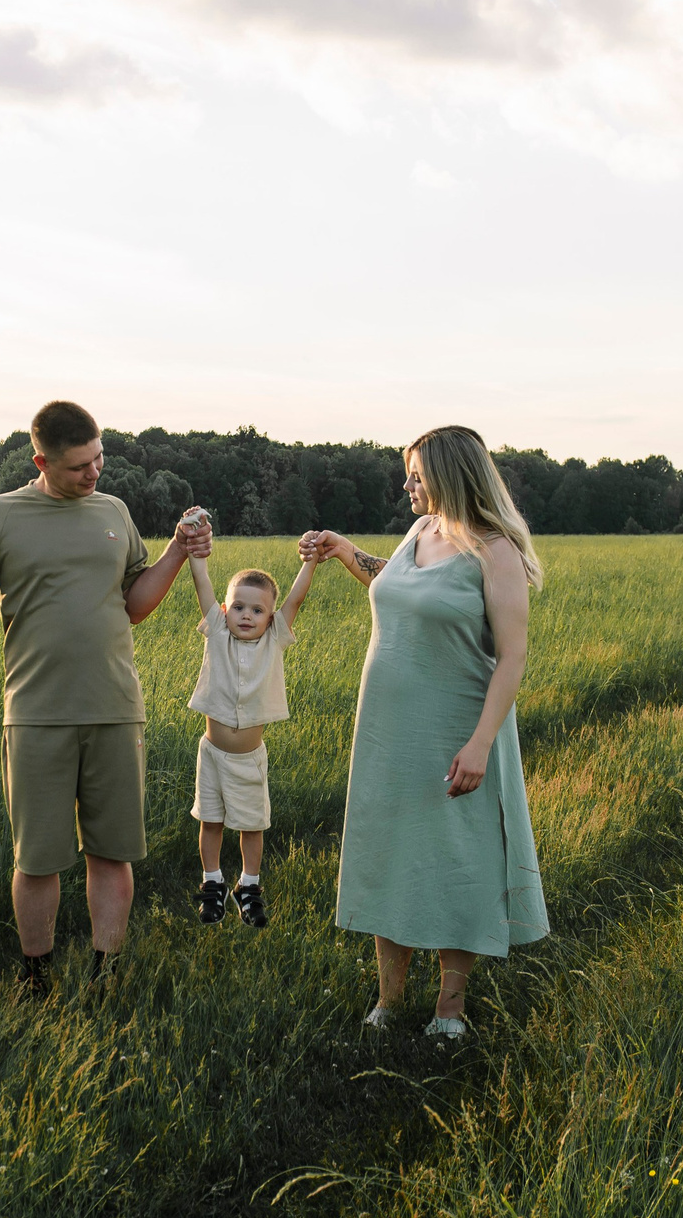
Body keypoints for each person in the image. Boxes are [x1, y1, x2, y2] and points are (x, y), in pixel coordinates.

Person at [0, 400, 214, 997]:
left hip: (115, 708)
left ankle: (106, 976)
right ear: (41, 461)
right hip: (35, 714)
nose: (95, 472)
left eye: (100, 457)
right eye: (80, 464)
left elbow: (135, 604)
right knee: (37, 860)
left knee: (112, 854)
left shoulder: (113, 511)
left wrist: (177, 552)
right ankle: (36, 978)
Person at [301, 426, 546, 1037]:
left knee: (454, 859)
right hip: (389, 732)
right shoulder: (420, 532)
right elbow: (400, 586)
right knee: (392, 851)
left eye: (415, 475)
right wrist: (339, 549)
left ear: (448, 475)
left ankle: (449, 1011)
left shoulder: (495, 551)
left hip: (455, 726)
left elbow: (512, 656)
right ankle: (388, 1002)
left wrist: (481, 743)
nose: (405, 485)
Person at [182, 523, 319, 928]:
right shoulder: (217, 634)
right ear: (225, 611)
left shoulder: (274, 640)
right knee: (211, 819)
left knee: (252, 825)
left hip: (249, 760)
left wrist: (309, 561)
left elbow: (296, 598)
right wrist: (195, 553)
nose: (247, 615)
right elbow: (201, 581)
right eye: (239, 607)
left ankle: (249, 886)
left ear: (271, 617)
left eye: (258, 610)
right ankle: (212, 884)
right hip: (211, 753)